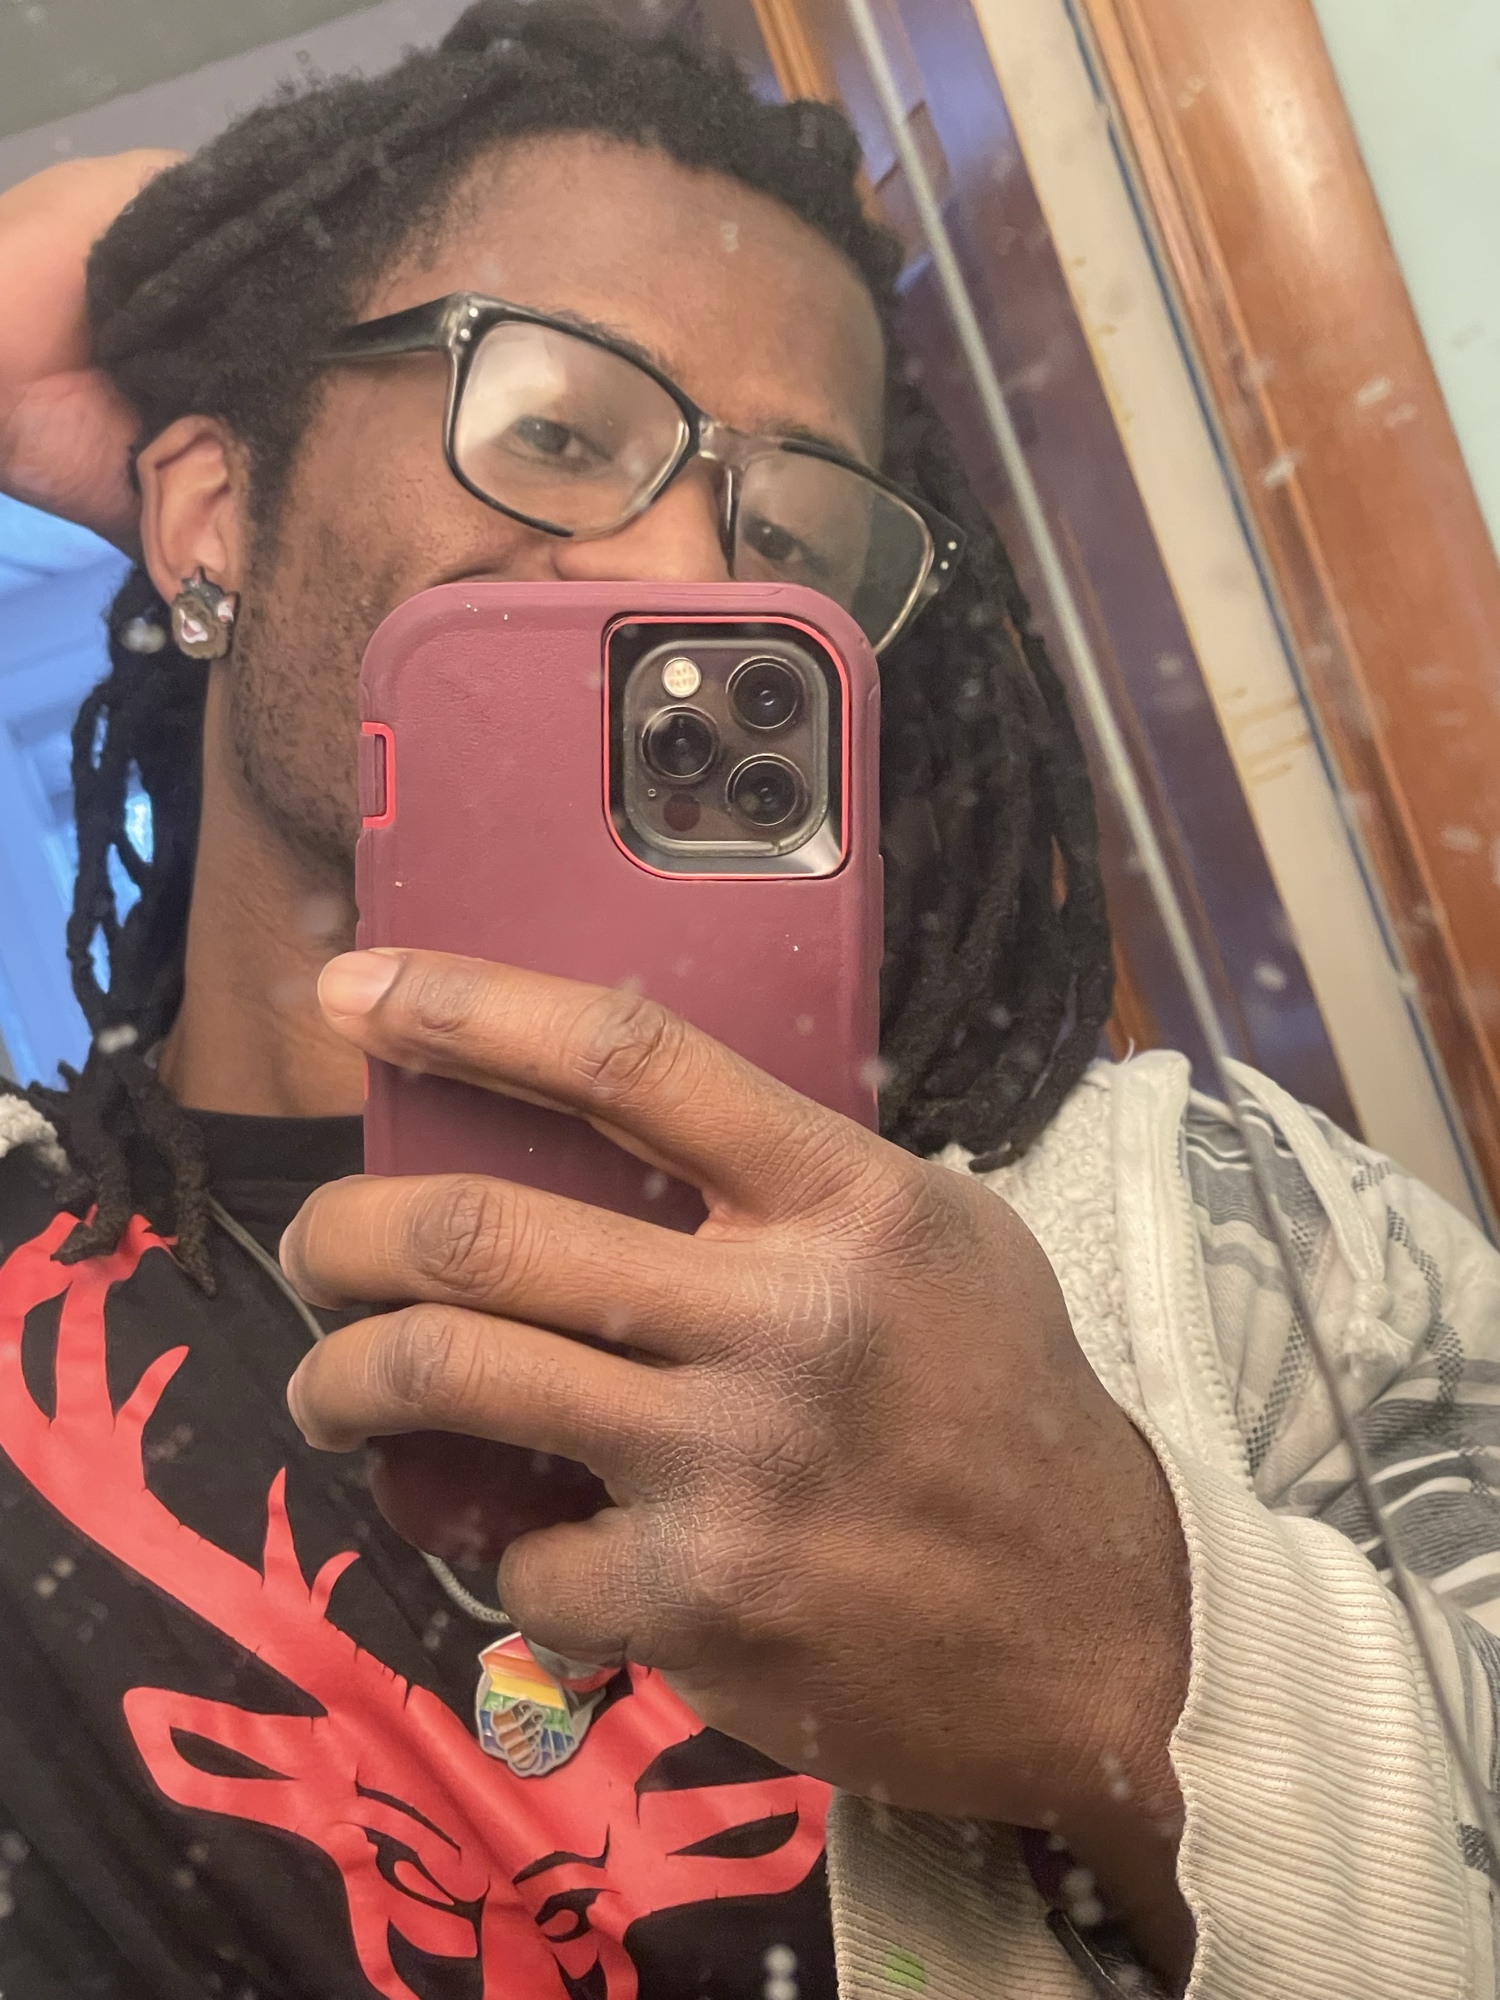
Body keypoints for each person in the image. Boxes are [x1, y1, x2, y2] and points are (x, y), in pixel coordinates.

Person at [0, 6, 1493, 1997]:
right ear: (208, 521)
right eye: (554, 428)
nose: (693, 570)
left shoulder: (1221, 1243)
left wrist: (1143, 1659)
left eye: (790, 529)